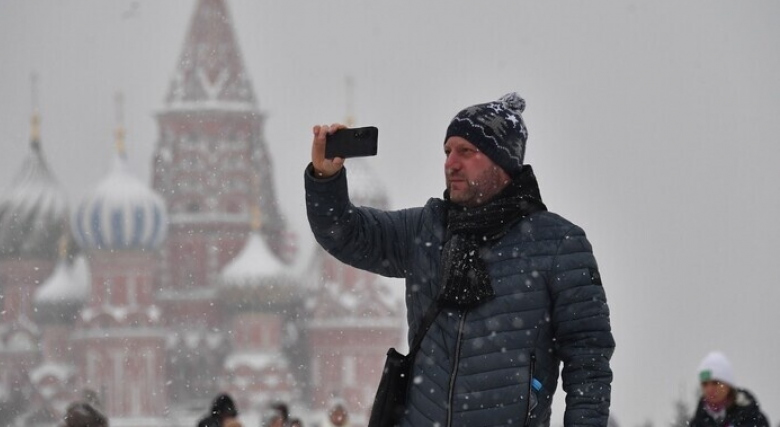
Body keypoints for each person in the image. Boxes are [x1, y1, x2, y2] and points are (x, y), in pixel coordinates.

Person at [305, 92, 615, 426]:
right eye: (448, 151)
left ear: (503, 162)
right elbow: (345, 233)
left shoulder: (558, 244)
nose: (450, 163)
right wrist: (326, 179)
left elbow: (588, 359)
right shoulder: (426, 229)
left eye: (466, 152)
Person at [689, 351, 769, 427]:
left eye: (716, 383)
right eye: (705, 384)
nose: (709, 389)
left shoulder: (753, 419)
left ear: (728, 384)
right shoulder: (697, 423)